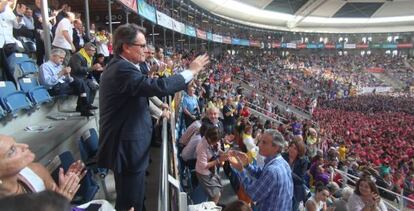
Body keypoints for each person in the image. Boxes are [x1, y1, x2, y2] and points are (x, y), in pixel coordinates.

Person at [97, 23, 209, 211]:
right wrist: (191, 71)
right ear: (126, 46)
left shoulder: (125, 66)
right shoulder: (122, 69)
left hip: (131, 146)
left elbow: (140, 95)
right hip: (126, 148)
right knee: (129, 202)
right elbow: (157, 87)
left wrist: (158, 109)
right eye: (141, 46)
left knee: (137, 198)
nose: (146, 50)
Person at [0, 134, 84, 200]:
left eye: (15, 142)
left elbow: (56, 200)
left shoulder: (36, 170)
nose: (25, 146)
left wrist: (65, 189)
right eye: (12, 150)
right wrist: (61, 204)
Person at [228, 129, 293, 211]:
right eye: (261, 141)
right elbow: (262, 174)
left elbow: (252, 194)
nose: (259, 145)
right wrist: (247, 165)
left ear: (276, 147)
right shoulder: (283, 162)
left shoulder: (272, 170)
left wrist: (241, 170)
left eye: (264, 142)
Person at [38, 48, 95, 116]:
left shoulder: (60, 66)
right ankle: (84, 106)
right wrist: (62, 73)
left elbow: (67, 79)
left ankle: (84, 107)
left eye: (63, 58)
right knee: (82, 86)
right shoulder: (45, 66)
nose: (62, 60)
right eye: (60, 58)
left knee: (81, 83)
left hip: (63, 85)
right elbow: (47, 82)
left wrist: (68, 75)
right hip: (53, 88)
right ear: (53, 56)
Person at [195, 127, 227, 204]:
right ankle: (212, 207)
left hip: (211, 170)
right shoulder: (201, 146)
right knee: (217, 194)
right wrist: (219, 160)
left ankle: (213, 203)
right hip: (203, 173)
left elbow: (217, 150)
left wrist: (224, 153)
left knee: (218, 189)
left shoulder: (215, 141)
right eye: (216, 141)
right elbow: (203, 165)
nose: (217, 143)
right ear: (209, 139)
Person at [282, 140, 309, 211]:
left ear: (299, 151)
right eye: (291, 146)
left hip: (295, 191)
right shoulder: (282, 156)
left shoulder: (303, 161)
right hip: (282, 188)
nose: (291, 149)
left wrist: (289, 171)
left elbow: (301, 180)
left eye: (295, 148)